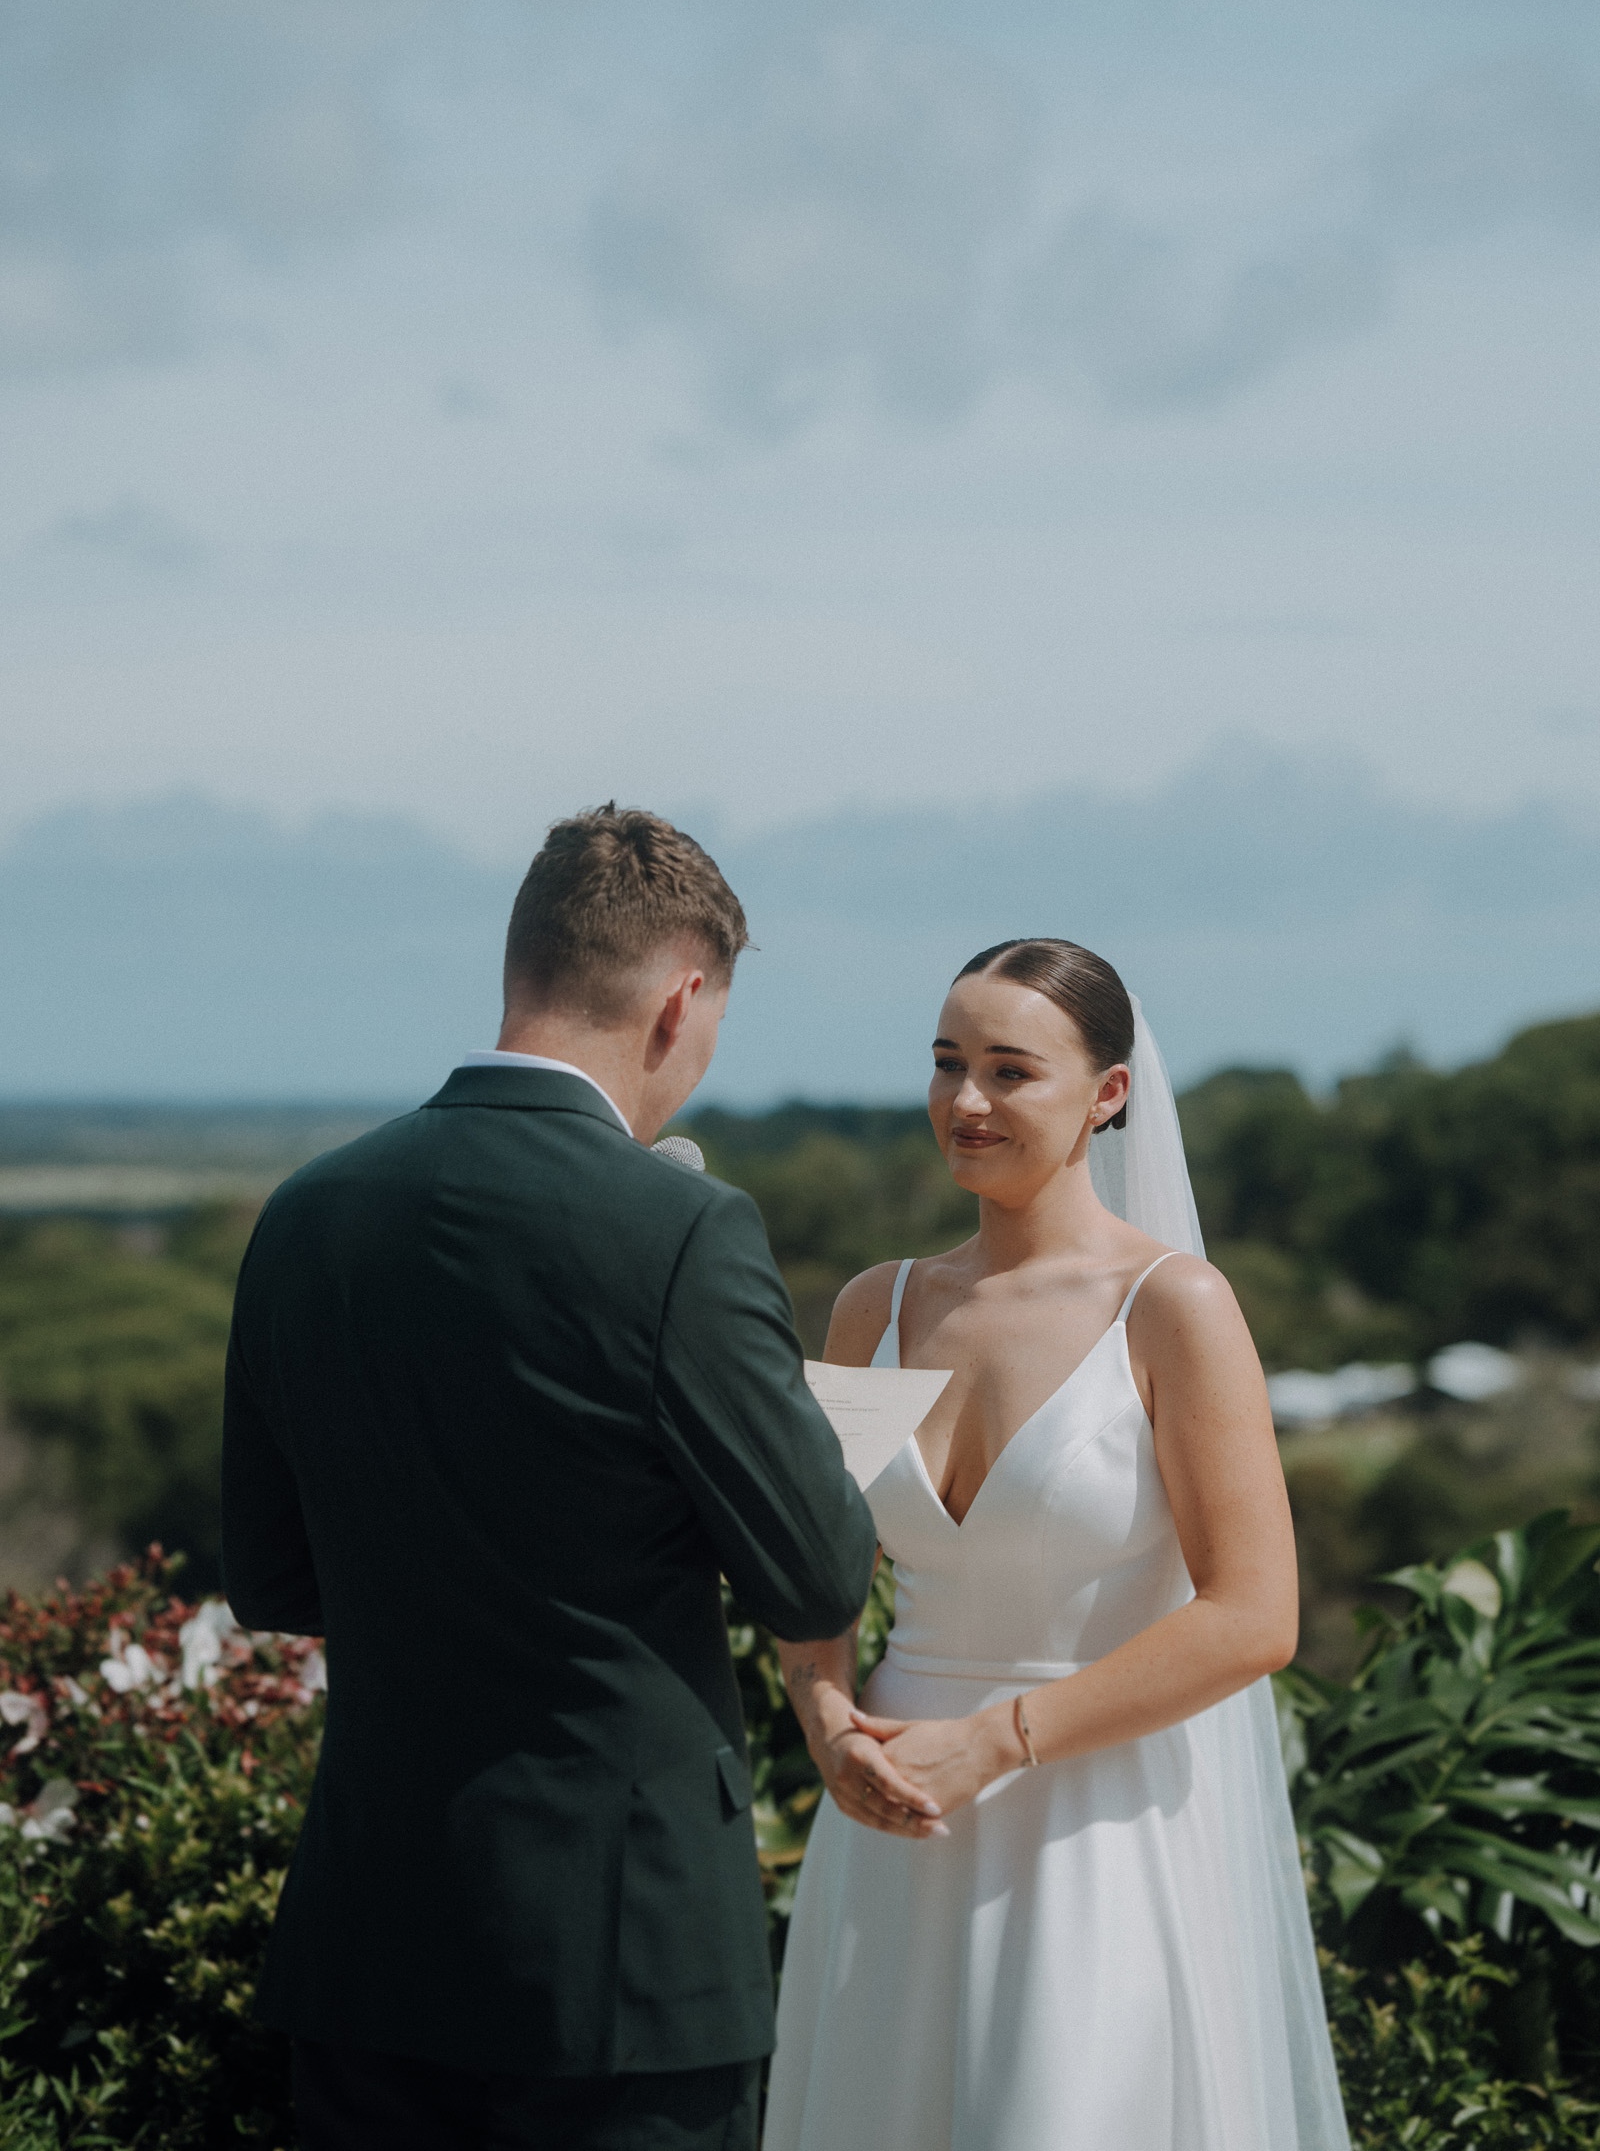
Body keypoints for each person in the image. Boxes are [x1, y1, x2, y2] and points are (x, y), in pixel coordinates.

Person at [221, 804, 878, 2151]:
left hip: (370, 1939)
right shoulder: (683, 1230)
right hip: (620, 1966)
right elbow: (815, 1568)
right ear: (682, 1000)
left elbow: (273, 1580)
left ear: (521, 966)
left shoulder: (307, 1213)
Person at [763, 938, 1350, 2151]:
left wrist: (996, 1742)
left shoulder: (1174, 1308)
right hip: (888, 1820)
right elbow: (819, 1561)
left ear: (1109, 1093)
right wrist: (824, 1714)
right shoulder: (873, 1308)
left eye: (1008, 1071)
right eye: (945, 1064)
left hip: (1096, 1825)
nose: (964, 1102)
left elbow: (1255, 1617)